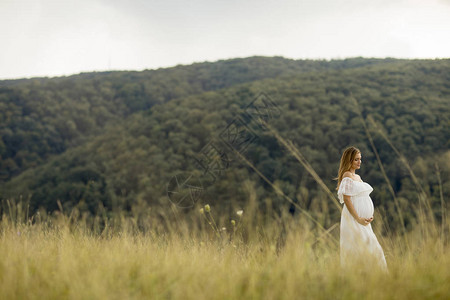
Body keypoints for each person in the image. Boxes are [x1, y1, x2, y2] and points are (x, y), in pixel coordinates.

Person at [336, 146, 388, 273]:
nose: (359, 162)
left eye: (360, 159)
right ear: (349, 161)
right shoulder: (347, 175)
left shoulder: (357, 177)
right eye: (356, 160)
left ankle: (373, 277)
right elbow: (347, 199)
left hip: (363, 222)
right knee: (361, 248)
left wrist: (367, 216)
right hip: (354, 220)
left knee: (373, 248)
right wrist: (358, 218)